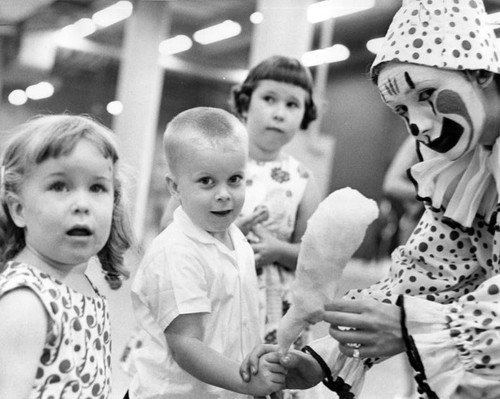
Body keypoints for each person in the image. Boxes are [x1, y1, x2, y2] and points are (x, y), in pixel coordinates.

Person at [241, 1, 500, 398]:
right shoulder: (466, 168)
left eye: (427, 94)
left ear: (481, 72)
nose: (418, 125)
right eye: (401, 110)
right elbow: (426, 272)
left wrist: (410, 326)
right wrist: (322, 355)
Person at [126, 107, 286, 399]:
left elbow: (242, 321)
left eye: (235, 179)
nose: (224, 194)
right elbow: (186, 345)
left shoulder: (234, 238)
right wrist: (248, 383)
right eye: (207, 181)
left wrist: (257, 375)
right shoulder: (177, 252)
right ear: (175, 187)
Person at [0, 114, 133, 398]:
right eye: (60, 186)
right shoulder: (25, 301)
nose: (82, 204)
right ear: (18, 209)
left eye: (97, 187)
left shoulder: (80, 282)